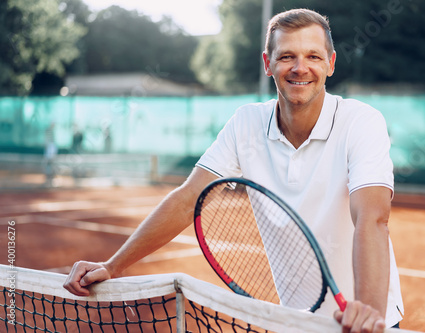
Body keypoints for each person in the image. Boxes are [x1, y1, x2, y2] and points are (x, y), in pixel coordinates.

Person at [64, 8, 403, 332]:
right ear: (268, 64)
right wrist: (113, 265)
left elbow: (371, 217)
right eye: (287, 56)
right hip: (297, 321)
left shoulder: (362, 122)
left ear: (330, 64)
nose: (300, 67)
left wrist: (368, 312)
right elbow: (187, 201)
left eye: (313, 56)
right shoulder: (246, 124)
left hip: (368, 323)